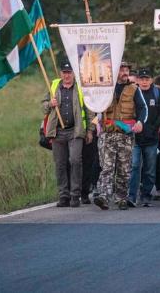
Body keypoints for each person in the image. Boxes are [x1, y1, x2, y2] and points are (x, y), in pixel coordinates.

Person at [94, 61, 148, 210]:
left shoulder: (134, 89)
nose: (124, 73)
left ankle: (121, 198)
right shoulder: (105, 88)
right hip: (108, 133)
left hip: (126, 135)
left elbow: (143, 108)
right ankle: (104, 196)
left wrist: (140, 122)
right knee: (106, 167)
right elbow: (94, 105)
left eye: (126, 70)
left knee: (124, 169)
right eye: (121, 70)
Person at [42, 60, 94, 208]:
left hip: (75, 131)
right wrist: (49, 104)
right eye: (64, 72)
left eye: (69, 72)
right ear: (61, 73)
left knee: (75, 161)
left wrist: (90, 130)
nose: (67, 75)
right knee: (60, 164)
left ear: (74, 74)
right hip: (57, 132)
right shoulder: (53, 86)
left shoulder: (80, 88)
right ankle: (63, 195)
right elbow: (43, 107)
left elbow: (89, 111)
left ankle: (75, 195)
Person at [127, 69, 160, 207]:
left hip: (151, 138)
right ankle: (131, 196)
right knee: (134, 166)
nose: (144, 81)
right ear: (137, 80)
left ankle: (146, 195)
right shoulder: (133, 92)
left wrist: (152, 128)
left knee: (150, 169)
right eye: (142, 79)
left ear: (151, 80)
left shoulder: (157, 93)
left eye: (147, 79)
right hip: (135, 138)